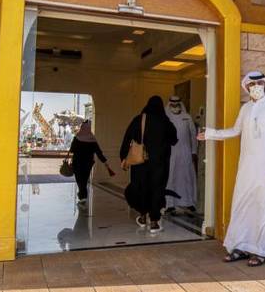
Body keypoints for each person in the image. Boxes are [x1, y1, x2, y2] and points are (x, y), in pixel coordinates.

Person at [197, 71, 265, 267]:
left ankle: (262, 251)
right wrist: (211, 134)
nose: (255, 86)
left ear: (264, 84)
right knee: (242, 205)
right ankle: (240, 246)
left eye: (259, 82)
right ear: (246, 87)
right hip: (247, 166)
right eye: (251, 84)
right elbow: (235, 130)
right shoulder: (245, 108)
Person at [120, 96, 178, 233]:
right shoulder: (165, 122)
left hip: (140, 163)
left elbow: (127, 138)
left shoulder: (139, 119)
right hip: (159, 164)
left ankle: (142, 216)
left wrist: (123, 157)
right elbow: (174, 140)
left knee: (141, 188)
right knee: (157, 189)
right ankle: (154, 222)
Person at [68, 120, 115, 206]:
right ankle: (82, 195)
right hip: (88, 163)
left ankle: (82, 196)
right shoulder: (92, 140)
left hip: (77, 163)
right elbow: (99, 152)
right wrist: (105, 162)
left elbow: (71, 150)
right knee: (84, 180)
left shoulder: (77, 138)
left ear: (82, 128)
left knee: (79, 180)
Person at [165, 96, 199, 213]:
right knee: (171, 177)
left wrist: (194, 151)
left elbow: (193, 136)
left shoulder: (187, 117)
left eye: (177, 104)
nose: (175, 106)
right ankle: (170, 204)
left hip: (186, 152)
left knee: (187, 177)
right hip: (171, 153)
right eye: (172, 104)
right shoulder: (166, 118)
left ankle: (189, 202)